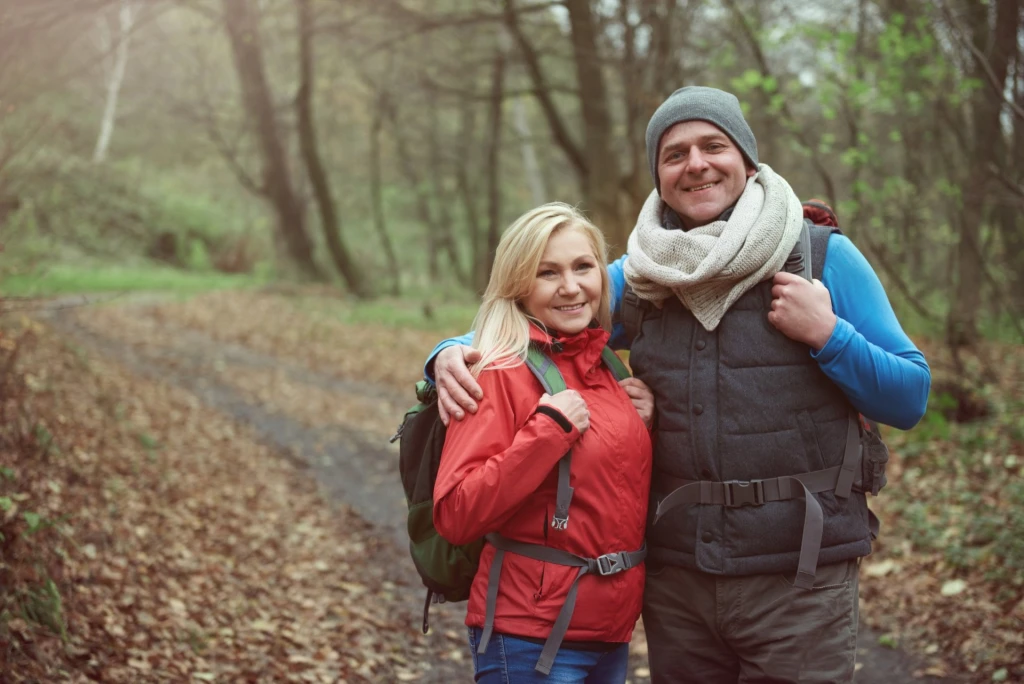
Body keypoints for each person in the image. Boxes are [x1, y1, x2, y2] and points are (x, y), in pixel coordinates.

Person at [425, 87, 931, 683]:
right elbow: (538, 310)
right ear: (659, 176)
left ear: (746, 158)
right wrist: (448, 353)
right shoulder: (643, 272)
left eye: (713, 145)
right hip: (681, 583)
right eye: (674, 153)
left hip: (799, 576)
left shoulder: (821, 258)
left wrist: (828, 335)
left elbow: (910, 396)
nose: (696, 164)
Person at [433, 202, 655, 683]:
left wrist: (643, 423)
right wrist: (546, 432)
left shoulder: (608, 370)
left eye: (583, 267)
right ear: (518, 284)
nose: (571, 287)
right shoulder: (496, 371)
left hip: (610, 636)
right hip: (528, 637)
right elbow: (455, 513)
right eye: (547, 273)